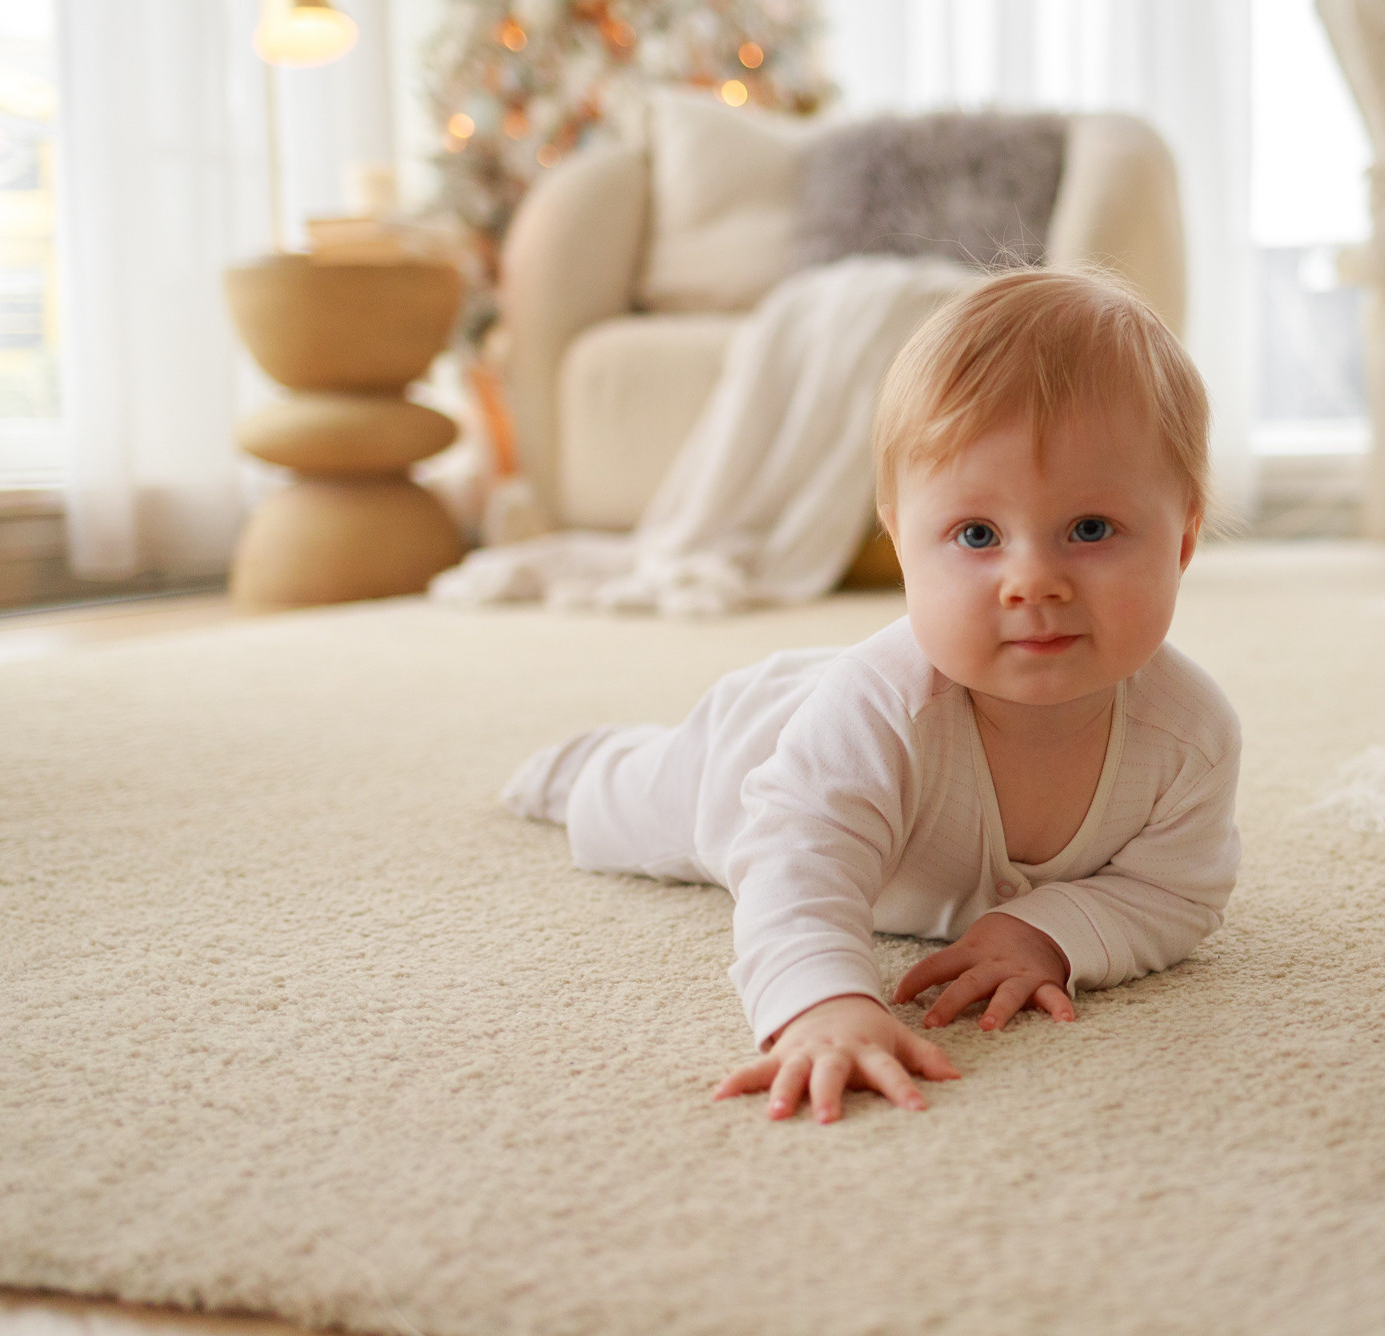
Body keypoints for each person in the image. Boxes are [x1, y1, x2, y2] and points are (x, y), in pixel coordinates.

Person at [501, 268, 1242, 1123]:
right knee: (624, 804)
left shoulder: (1190, 735)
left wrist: (1050, 928)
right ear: (901, 545)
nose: (1032, 581)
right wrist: (823, 1000)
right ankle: (579, 766)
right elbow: (797, 863)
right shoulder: (878, 710)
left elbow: (1176, 893)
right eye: (976, 535)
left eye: (1090, 530)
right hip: (749, 760)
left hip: (837, 731)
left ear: (1182, 539)